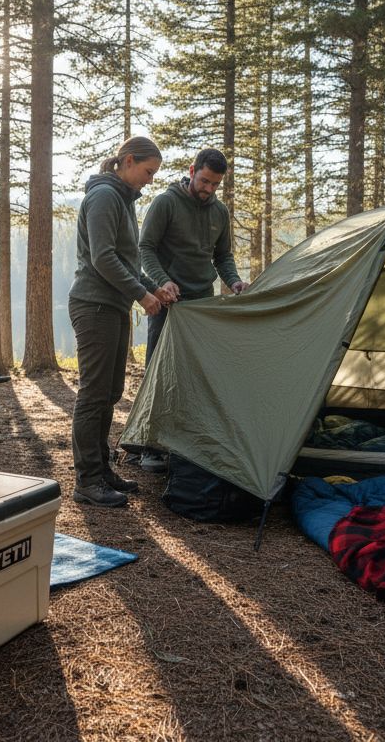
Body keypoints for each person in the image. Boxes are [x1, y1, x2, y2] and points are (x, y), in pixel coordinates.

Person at [68, 135, 176, 508]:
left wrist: (153, 287)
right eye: (148, 171)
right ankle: (87, 480)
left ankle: (102, 471)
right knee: (93, 394)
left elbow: (127, 261)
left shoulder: (123, 200)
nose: (150, 179)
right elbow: (103, 257)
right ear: (128, 161)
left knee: (110, 392)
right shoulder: (103, 196)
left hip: (112, 306)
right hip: (93, 305)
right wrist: (141, 295)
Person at [135, 147, 248, 472]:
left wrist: (234, 281)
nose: (208, 189)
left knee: (196, 374)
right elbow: (145, 248)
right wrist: (162, 281)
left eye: (215, 184)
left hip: (202, 303)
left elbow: (222, 256)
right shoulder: (166, 203)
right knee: (160, 371)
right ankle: (149, 446)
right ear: (192, 171)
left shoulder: (219, 212)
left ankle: (187, 443)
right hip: (168, 302)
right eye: (205, 181)